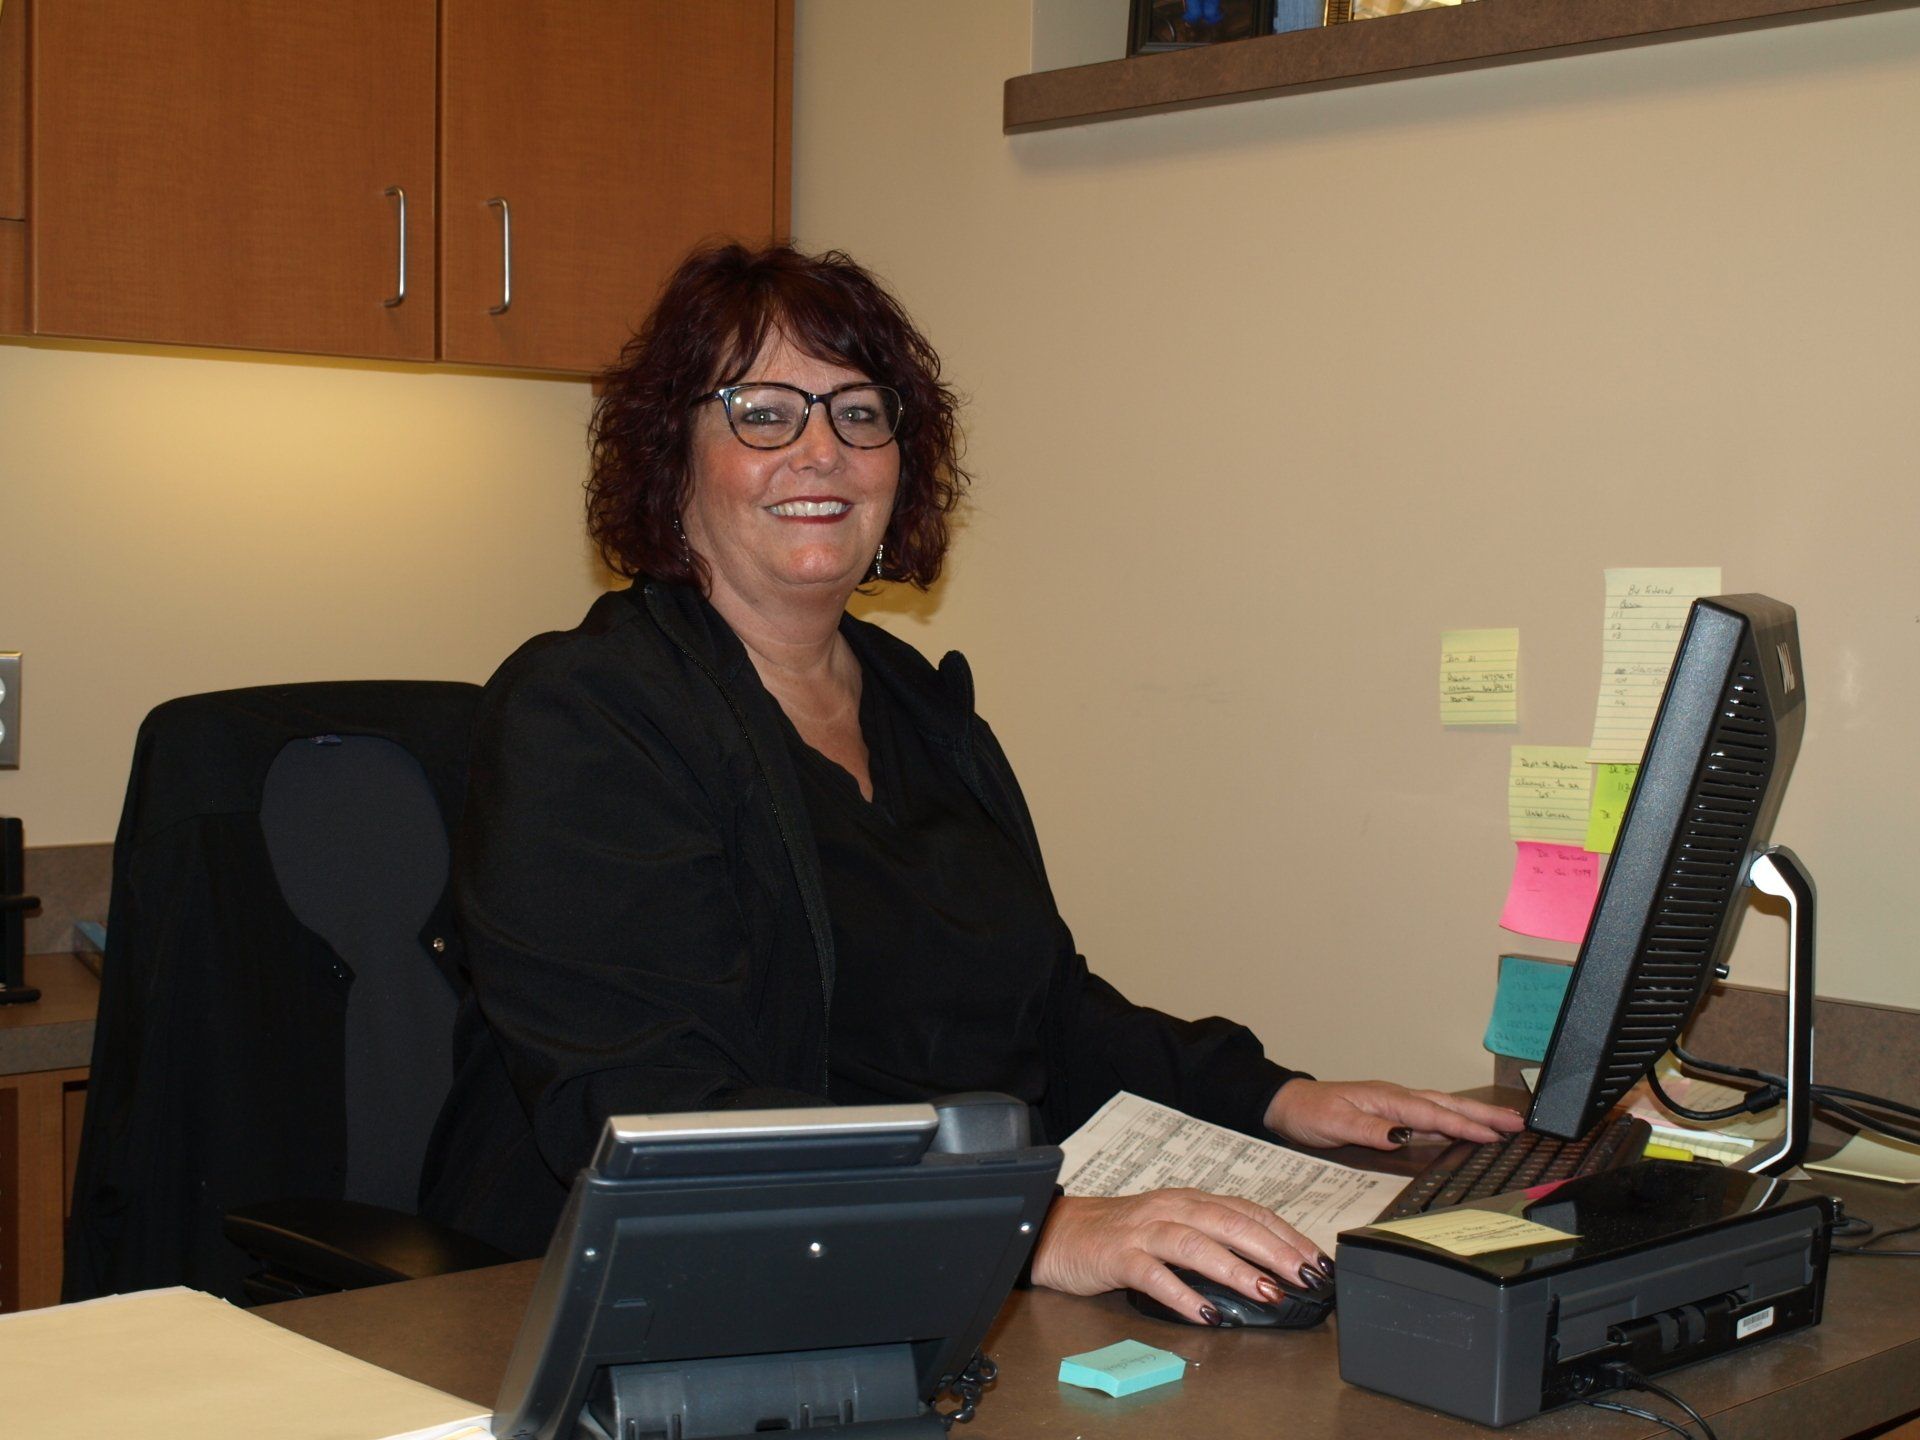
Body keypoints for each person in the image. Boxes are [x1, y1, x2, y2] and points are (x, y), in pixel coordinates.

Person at [419, 242, 1521, 1324]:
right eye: (764, 412)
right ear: (675, 457)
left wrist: (1279, 1100)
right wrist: (1032, 1228)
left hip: (909, 1268)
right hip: (628, 1302)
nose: (823, 451)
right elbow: (653, 1111)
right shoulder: (586, 715)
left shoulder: (913, 705)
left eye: (860, 411)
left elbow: (1040, 1003)